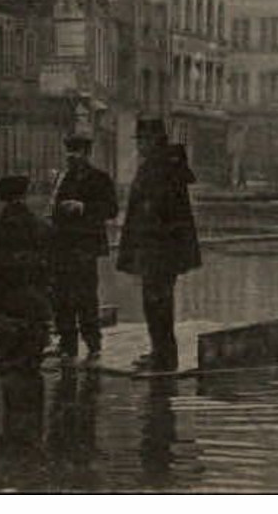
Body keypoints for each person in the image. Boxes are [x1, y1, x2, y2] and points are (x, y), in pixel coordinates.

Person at [116, 123, 201, 374]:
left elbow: (158, 212)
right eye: (138, 140)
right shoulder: (162, 165)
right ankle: (160, 351)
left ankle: (164, 356)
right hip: (157, 249)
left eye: (142, 140)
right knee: (155, 302)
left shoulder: (161, 168)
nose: (139, 145)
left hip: (159, 250)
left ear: (154, 140)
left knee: (158, 302)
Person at [48, 134, 119, 361]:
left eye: (76, 152)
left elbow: (112, 209)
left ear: (87, 154)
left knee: (86, 296)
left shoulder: (100, 178)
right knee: (61, 296)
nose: (71, 156)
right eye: (69, 152)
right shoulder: (63, 178)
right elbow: (55, 208)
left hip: (86, 246)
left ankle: (93, 343)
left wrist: (83, 207)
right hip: (62, 245)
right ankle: (67, 343)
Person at [0, 175, 54, 377]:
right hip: (35, 311)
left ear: (1, 197)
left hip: (6, 310)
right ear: (25, 194)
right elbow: (52, 274)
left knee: (9, 375)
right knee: (32, 374)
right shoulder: (43, 227)